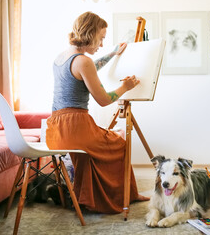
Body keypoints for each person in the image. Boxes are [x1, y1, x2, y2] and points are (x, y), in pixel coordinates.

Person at [45, 11, 148, 214]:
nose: (101, 44)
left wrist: (112, 54)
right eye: (101, 39)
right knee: (120, 142)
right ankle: (126, 195)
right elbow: (103, 100)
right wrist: (125, 87)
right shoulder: (84, 61)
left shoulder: (61, 58)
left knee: (103, 145)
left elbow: (89, 68)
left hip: (56, 127)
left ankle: (84, 195)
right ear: (90, 34)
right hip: (76, 127)